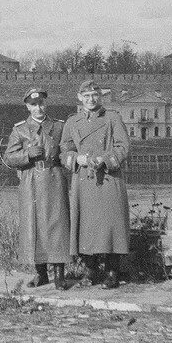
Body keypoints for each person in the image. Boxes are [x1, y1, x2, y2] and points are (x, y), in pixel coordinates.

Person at [61, 80, 132, 289]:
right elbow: (64, 148)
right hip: (84, 180)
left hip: (108, 179)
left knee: (111, 225)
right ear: (79, 98)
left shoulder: (112, 118)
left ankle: (112, 272)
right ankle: (91, 272)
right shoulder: (72, 122)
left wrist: (106, 159)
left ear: (100, 97)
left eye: (95, 95)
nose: (91, 100)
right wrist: (76, 159)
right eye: (86, 96)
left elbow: (123, 146)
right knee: (86, 226)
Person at [3, 88, 71, 290]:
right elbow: (8, 157)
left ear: (46, 104)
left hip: (54, 179)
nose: (38, 108)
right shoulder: (20, 130)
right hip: (31, 181)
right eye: (33, 104)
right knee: (35, 226)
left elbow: (67, 149)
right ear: (27, 106)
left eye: (41, 103)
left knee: (58, 225)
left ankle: (59, 274)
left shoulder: (59, 127)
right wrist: (27, 154)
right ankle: (41, 274)